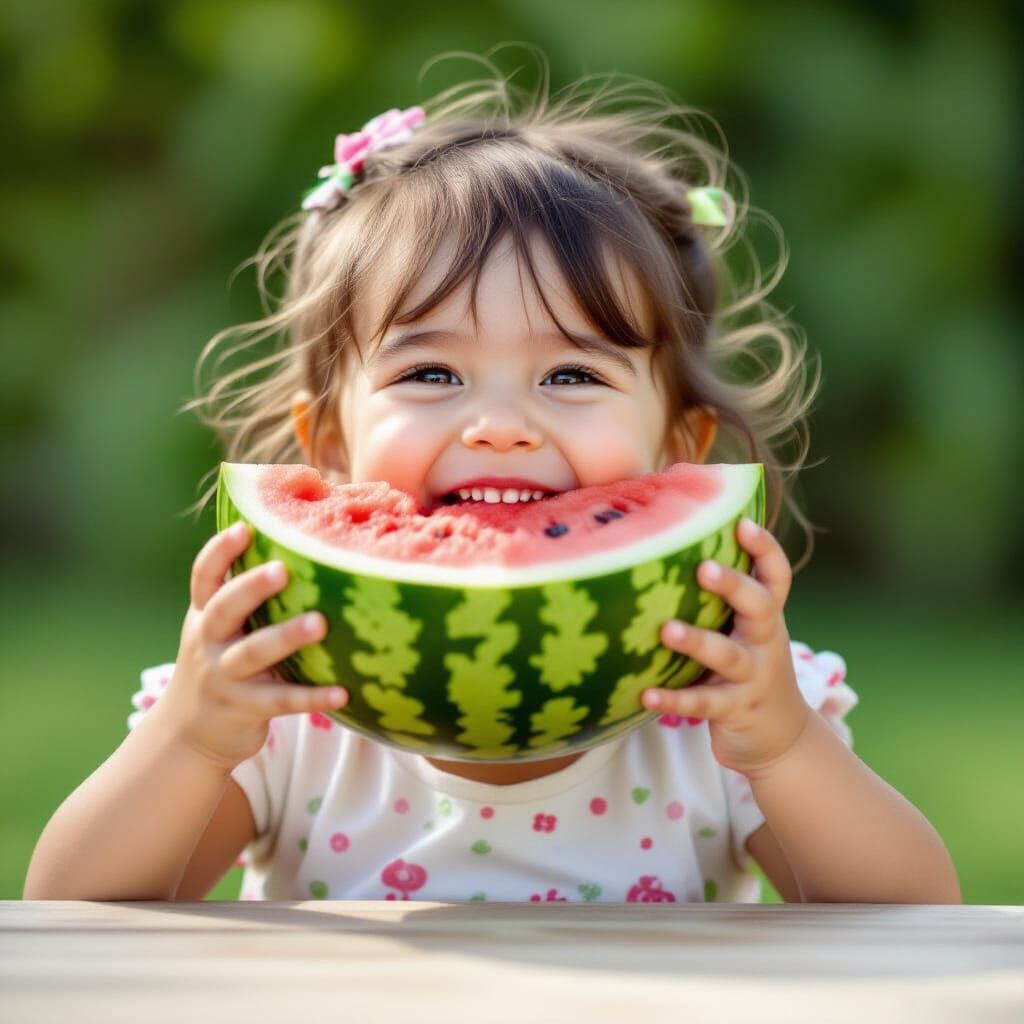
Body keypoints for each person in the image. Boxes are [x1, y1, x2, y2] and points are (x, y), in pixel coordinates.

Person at [24, 48, 960, 905]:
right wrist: (189, 741)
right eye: (431, 374)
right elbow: (73, 914)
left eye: (572, 375)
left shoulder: (720, 698)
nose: (502, 428)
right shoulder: (283, 702)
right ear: (329, 447)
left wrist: (786, 748)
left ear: (681, 446)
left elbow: (917, 920)